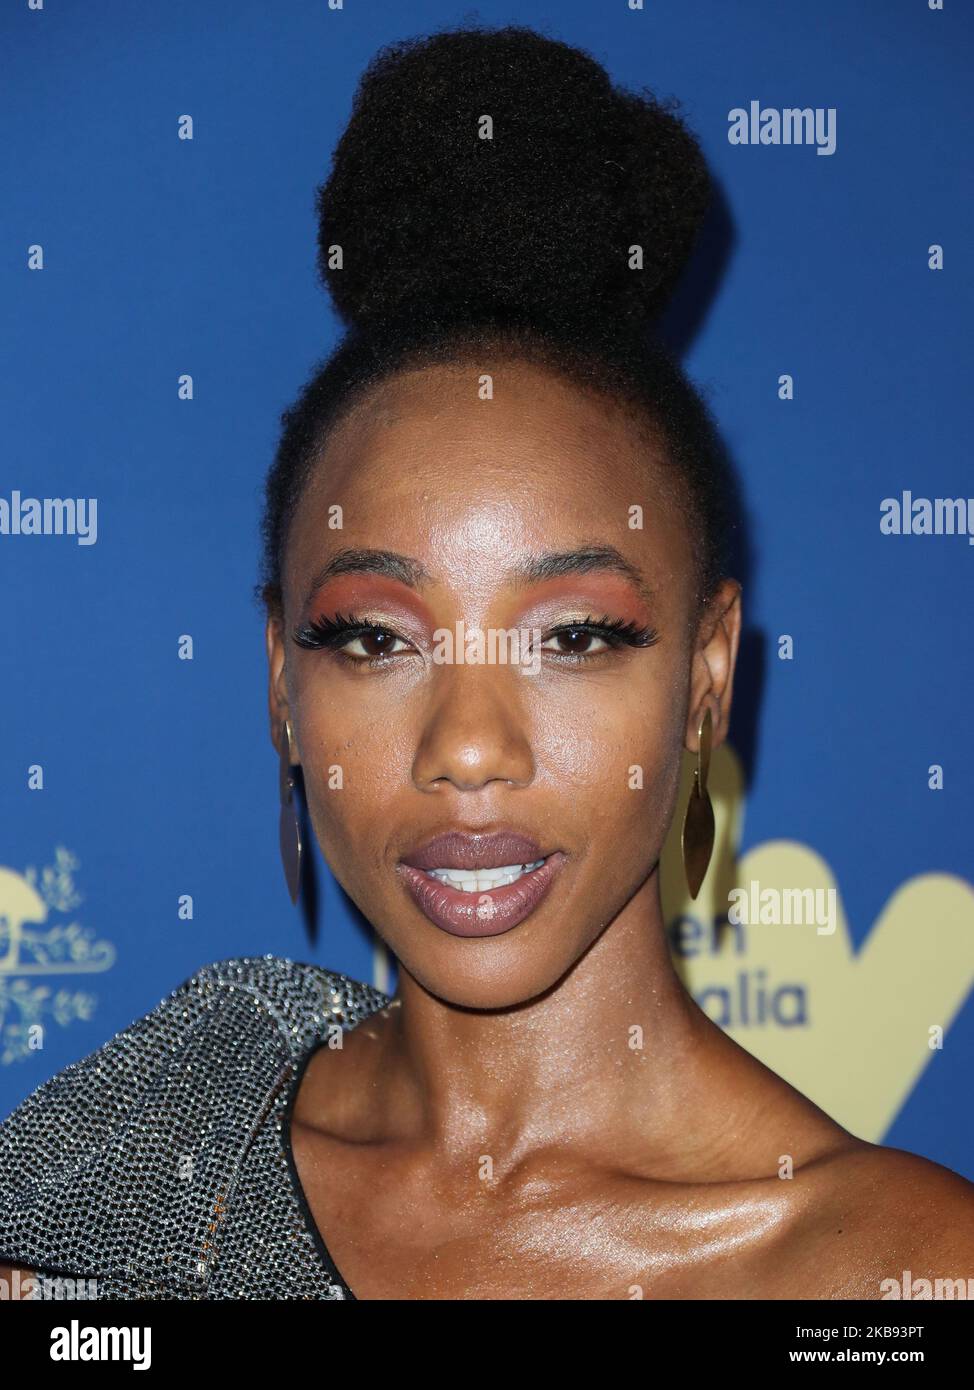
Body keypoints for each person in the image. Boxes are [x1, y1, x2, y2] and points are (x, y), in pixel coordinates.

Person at [2, 23, 972, 1301]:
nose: (466, 745)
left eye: (573, 636)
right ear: (282, 686)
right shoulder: (145, 1149)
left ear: (705, 676)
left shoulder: (893, 1277)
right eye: (371, 638)